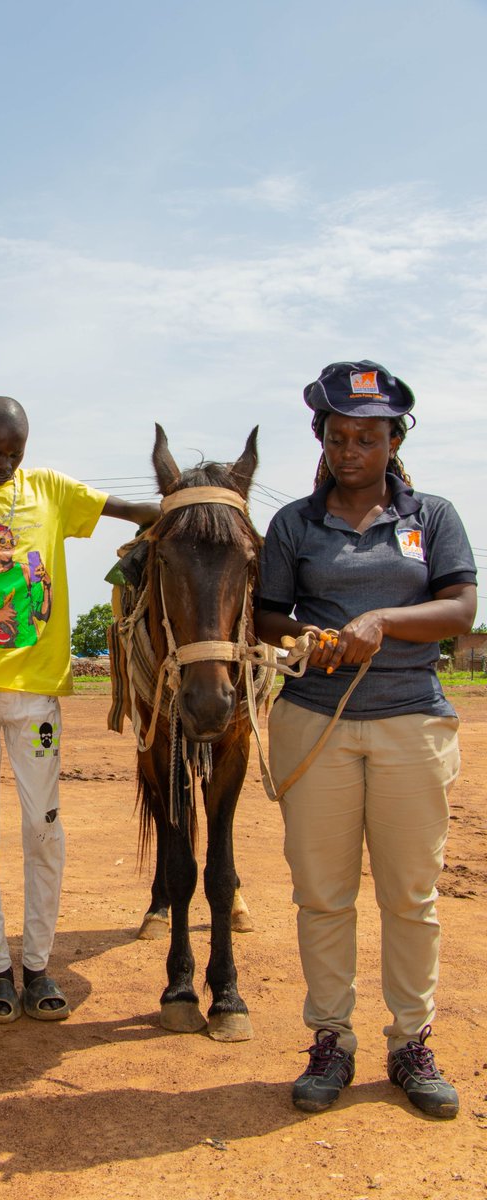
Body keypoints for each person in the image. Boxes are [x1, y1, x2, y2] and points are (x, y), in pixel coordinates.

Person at [254, 361, 477, 1119]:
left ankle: (411, 1043)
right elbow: (264, 616)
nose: (351, 450)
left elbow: (459, 610)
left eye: (368, 438)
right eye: (338, 435)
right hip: (315, 723)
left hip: (412, 719)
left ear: (393, 441)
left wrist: (381, 623)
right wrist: (310, 636)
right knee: (323, 896)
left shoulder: (434, 517)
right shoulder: (293, 525)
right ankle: (331, 1041)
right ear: (321, 438)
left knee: (412, 897)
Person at [0, 395, 159, 1023]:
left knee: (44, 829)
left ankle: (40, 964)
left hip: (37, 698)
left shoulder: (49, 490)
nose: (3, 463)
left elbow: (124, 508)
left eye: (14, 453)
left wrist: (189, 508)